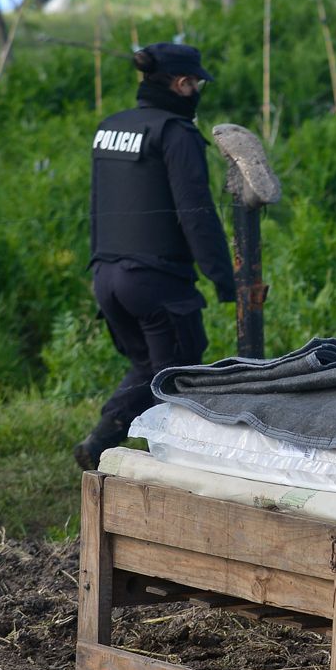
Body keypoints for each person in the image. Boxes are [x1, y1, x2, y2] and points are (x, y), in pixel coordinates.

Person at [73, 44, 235, 470]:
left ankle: (106, 440)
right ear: (182, 85)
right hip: (154, 281)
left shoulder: (110, 128)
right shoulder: (175, 134)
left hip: (106, 275)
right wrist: (224, 278)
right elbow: (196, 214)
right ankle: (131, 446)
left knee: (149, 366)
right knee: (175, 370)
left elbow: (97, 204)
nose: (198, 90)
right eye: (196, 83)